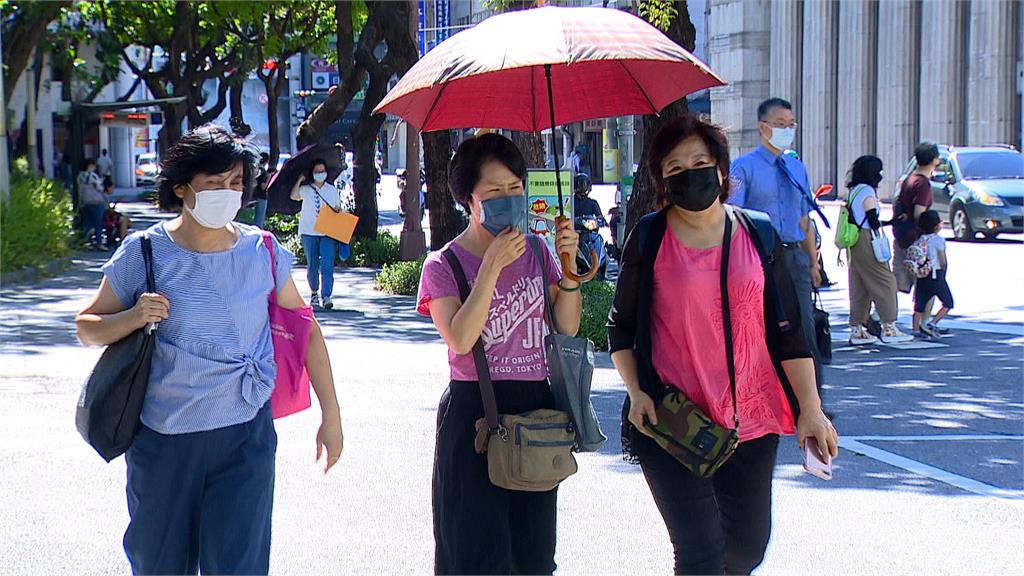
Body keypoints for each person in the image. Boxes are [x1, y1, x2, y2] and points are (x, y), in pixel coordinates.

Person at [74, 124, 343, 575]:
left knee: (239, 567)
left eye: (236, 183)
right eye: (214, 183)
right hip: (164, 443)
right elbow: (87, 327)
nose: (228, 192)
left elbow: (306, 331)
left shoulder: (264, 251)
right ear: (181, 187)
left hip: (246, 439)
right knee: (160, 565)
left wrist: (330, 414)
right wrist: (134, 317)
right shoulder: (143, 253)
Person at [608, 115, 838, 575]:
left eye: (699, 161)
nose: (688, 173)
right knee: (699, 556)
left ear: (719, 168)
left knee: (748, 548)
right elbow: (622, 327)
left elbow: (790, 331)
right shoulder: (650, 237)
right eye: (674, 168)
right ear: (661, 181)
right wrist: (636, 392)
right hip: (672, 419)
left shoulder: (758, 232)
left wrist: (811, 408)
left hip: (753, 420)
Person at [417, 133, 582, 574]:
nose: (508, 200)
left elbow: (566, 325)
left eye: (515, 188)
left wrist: (569, 270)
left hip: (534, 409)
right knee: (476, 555)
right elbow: (460, 339)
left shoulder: (537, 251)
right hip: (475, 411)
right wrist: (490, 266)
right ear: (467, 199)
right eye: (494, 192)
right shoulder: (443, 266)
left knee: (533, 555)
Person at [729, 97, 825, 395]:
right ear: (763, 127)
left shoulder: (797, 168)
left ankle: (811, 401)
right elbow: (733, 217)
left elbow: (805, 218)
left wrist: (813, 263)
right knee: (757, 328)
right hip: (760, 257)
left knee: (804, 328)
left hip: (794, 255)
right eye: (780, 125)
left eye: (791, 125)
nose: (787, 130)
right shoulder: (743, 168)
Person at [843, 156, 913, 345]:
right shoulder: (867, 191)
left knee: (859, 285)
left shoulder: (853, 191)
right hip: (869, 240)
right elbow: (872, 219)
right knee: (886, 281)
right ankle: (889, 326)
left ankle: (857, 329)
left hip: (855, 242)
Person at [290, 159, 342, 310]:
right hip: (308, 232)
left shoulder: (331, 190)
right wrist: (299, 180)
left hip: (328, 232)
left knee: (327, 264)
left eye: (322, 171)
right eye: (317, 171)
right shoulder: (306, 189)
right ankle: (314, 293)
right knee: (312, 264)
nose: (321, 174)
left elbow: (338, 208)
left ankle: (326, 296)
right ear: (312, 174)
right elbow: (294, 196)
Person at [893, 141, 940, 294]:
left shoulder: (909, 179)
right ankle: (923, 318)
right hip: (917, 241)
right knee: (924, 285)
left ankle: (880, 314)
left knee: (898, 280)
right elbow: (919, 213)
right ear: (934, 160)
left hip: (902, 235)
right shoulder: (923, 184)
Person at [912, 210, 954, 340]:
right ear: (936, 226)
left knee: (919, 305)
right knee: (948, 302)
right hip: (936, 275)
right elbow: (943, 261)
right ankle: (932, 324)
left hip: (922, 275)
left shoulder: (918, 240)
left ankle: (916, 329)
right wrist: (944, 273)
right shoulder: (938, 240)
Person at [77, 158, 106, 251]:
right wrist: (101, 181)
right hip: (96, 202)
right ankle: (99, 243)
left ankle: (81, 241)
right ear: (90, 166)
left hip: (85, 202)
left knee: (87, 223)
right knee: (98, 223)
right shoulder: (92, 176)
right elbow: (99, 188)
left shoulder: (80, 176)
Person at [101, 175, 132, 250]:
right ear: (108, 188)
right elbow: (108, 211)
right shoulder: (104, 197)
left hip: (107, 216)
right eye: (112, 188)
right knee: (124, 220)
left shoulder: (104, 196)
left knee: (126, 220)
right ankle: (123, 239)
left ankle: (121, 237)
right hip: (106, 217)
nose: (113, 190)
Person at [252, 152, 270, 229]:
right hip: (262, 197)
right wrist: (269, 178)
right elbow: (263, 186)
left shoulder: (257, 170)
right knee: (260, 218)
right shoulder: (263, 171)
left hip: (256, 196)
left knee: (257, 216)